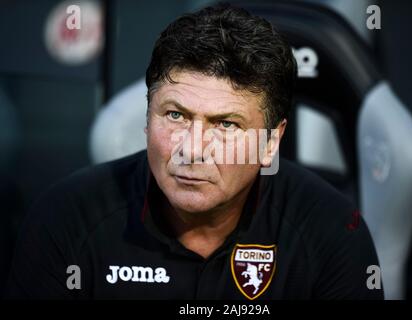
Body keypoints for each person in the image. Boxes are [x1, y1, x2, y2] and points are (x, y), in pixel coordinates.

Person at [6, 4, 383, 299]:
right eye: (175, 115)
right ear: (147, 117)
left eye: (226, 124)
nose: (192, 149)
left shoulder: (332, 233)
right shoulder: (65, 220)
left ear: (271, 143)